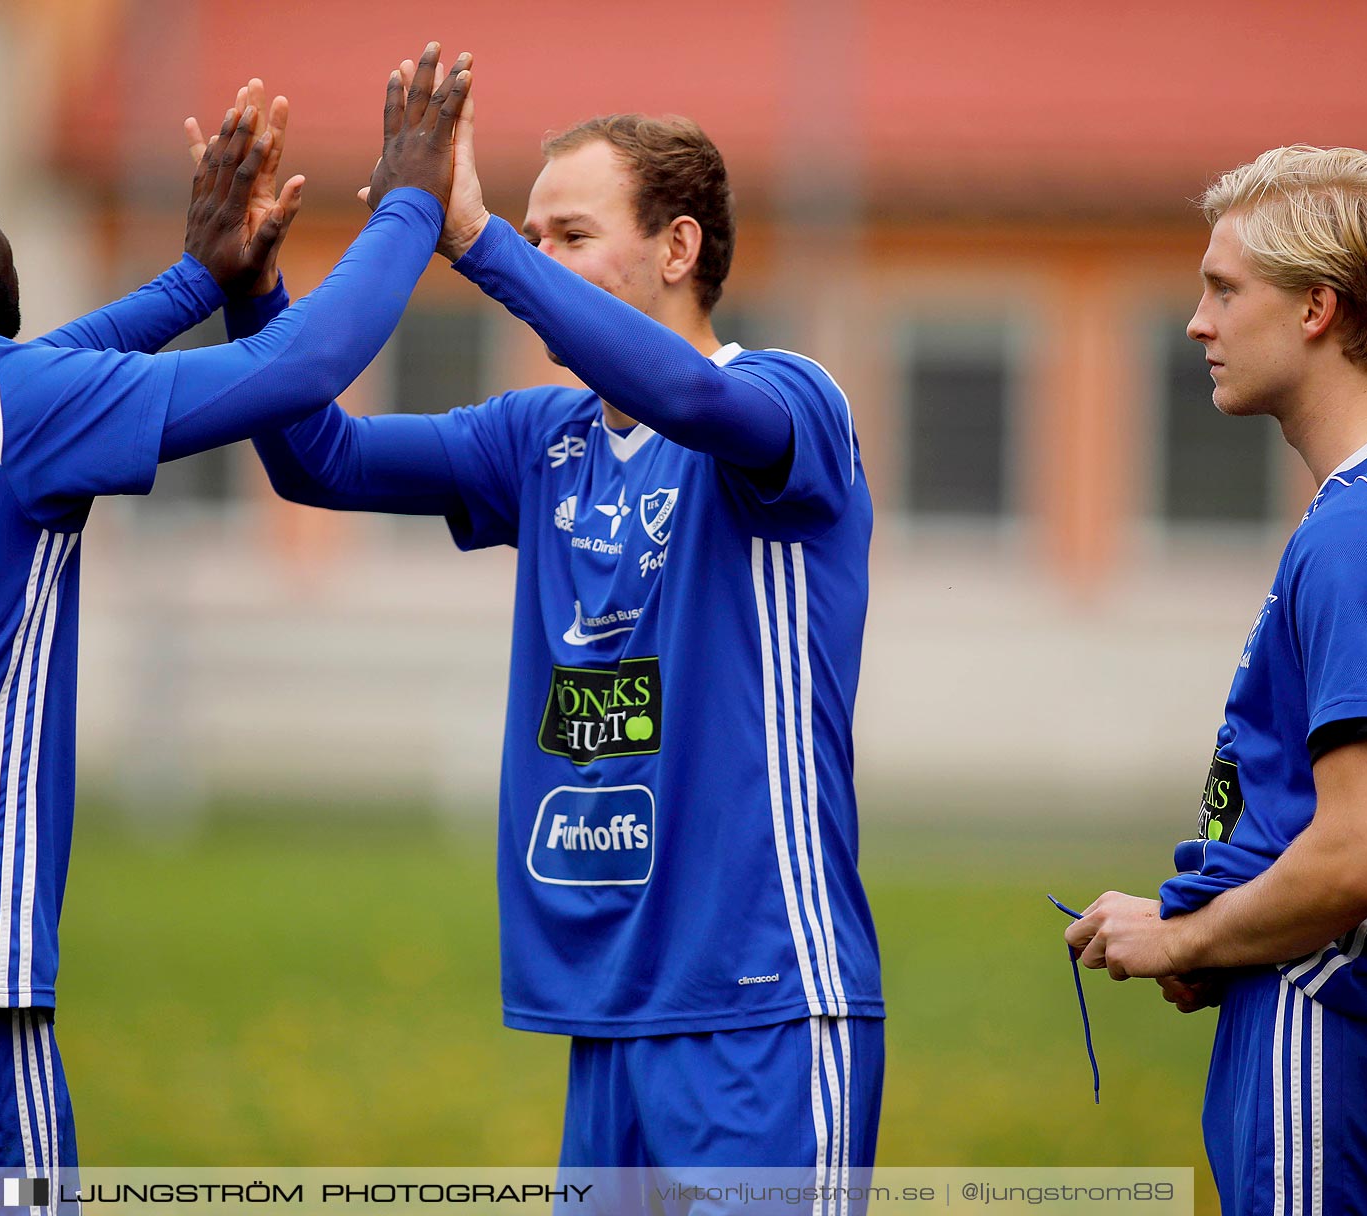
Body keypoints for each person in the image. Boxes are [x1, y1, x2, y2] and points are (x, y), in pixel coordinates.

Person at [0, 52, 468, 1214]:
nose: (8, 246)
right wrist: (413, 194)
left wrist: (189, 280)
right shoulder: (2, 413)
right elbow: (305, 364)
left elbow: (26, 385)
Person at [221, 75, 884, 1181]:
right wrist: (252, 296)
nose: (536, 262)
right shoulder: (543, 436)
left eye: (571, 234)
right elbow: (317, 461)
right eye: (532, 235)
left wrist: (476, 240)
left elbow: (699, 406)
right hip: (609, 1011)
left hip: (762, 1000)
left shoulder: (787, 398)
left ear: (679, 249)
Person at [1065, 146, 1367, 1213]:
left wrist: (1185, 933)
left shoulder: (1361, 539)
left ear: (1316, 309)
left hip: (1325, 1028)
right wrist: (1205, 914)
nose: (1199, 321)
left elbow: (1359, 855)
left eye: (1224, 289)